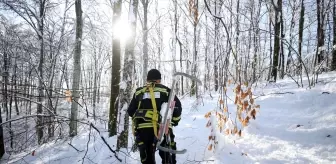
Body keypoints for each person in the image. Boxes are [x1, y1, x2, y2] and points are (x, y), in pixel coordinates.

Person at [127, 69, 182, 164]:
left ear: (147, 80)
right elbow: (177, 110)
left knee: (147, 159)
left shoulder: (139, 92)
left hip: (143, 131)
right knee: (167, 158)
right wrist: (174, 122)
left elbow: (131, 111)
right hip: (163, 129)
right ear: (159, 80)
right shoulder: (166, 91)